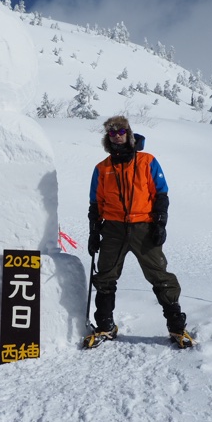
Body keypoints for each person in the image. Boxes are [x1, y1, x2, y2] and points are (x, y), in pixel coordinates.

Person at [86, 115, 191, 347]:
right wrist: (94, 232)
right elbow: (96, 203)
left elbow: (161, 194)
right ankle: (105, 327)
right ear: (108, 137)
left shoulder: (147, 161)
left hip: (143, 226)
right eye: (112, 133)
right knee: (105, 277)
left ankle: (177, 328)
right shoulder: (102, 168)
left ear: (129, 133)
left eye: (121, 131)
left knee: (159, 276)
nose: (117, 136)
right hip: (113, 228)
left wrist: (160, 223)